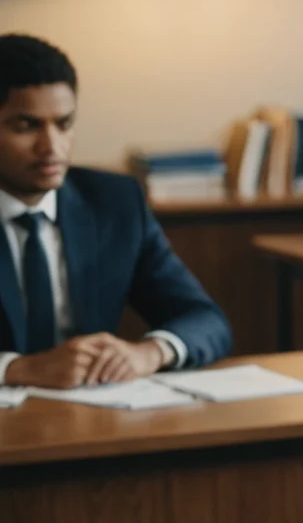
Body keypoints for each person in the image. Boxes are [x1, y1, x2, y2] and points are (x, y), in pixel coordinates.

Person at [0, 34, 230, 387]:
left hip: (96, 419)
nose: (51, 147)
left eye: (64, 124)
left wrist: (149, 352)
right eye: (26, 126)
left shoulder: (113, 202)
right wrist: (22, 370)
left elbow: (204, 319)